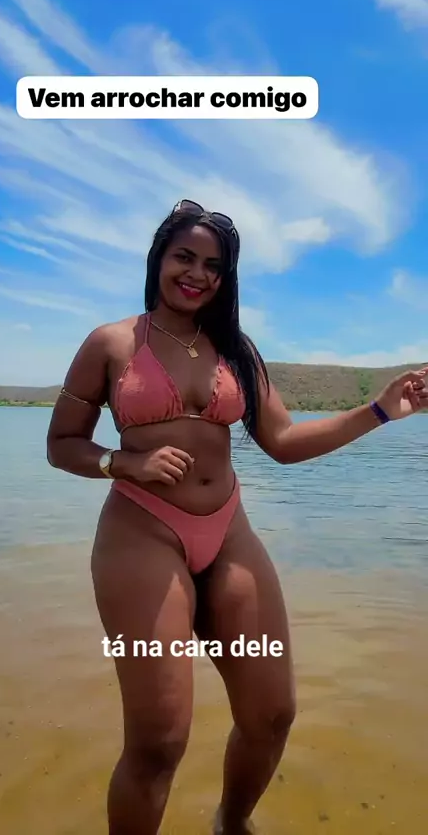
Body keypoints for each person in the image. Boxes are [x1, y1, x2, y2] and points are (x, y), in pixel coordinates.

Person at [46, 199, 427, 835]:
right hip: (141, 532)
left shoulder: (236, 350)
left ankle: (231, 823)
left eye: (214, 266)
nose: (197, 274)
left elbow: (284, 442)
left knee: (272, 714)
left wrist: (381, 411)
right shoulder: (111, 343)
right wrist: (123, 463)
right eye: (184, 257)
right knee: (159, 740)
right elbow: (61, 445)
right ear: (158, 260)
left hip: (227, 531)